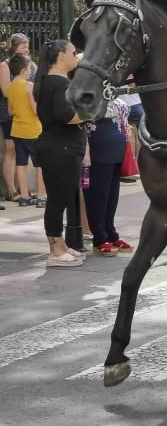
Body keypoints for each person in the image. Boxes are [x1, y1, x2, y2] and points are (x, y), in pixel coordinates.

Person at [33, 40, 87, 268]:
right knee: (58, 200)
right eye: (73, 52)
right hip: (60, 149)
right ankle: (55, 249)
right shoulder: (59, 83)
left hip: (59, 147)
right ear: (60, 56)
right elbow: (67, 115)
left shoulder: (50, 80)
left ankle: (61, 245)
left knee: (61, 198)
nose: (77, 56)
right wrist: (91, 112)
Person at [83, 97, 132, 256]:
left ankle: (111, 233)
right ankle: (100, 237)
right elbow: (83, 124)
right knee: (98, 196)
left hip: (116, 150)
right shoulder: (88, 94)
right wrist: (85, 151)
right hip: (98, 151)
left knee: (112, 196)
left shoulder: (112, 92)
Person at [7, 54, 46, 208]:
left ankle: (24, 196)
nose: (31, 71)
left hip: (17, 130)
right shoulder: (28, 85)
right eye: (30, 68)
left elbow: (10, 111)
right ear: (24, 70)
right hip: (33, 130)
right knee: (40, 164)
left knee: (21, 163)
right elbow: (35, 110)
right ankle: (41, 196)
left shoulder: (10, 86)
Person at [1, 33, 35, 202]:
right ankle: (11, 190)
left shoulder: (31, 65)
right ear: (13, 47)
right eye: (23, 46)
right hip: (10, 113)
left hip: (28, 114)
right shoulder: (5, 66)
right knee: (11, 149)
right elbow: (7, 92)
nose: (26, 49)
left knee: (23, 153)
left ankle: (23, 190)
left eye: (27, 46)